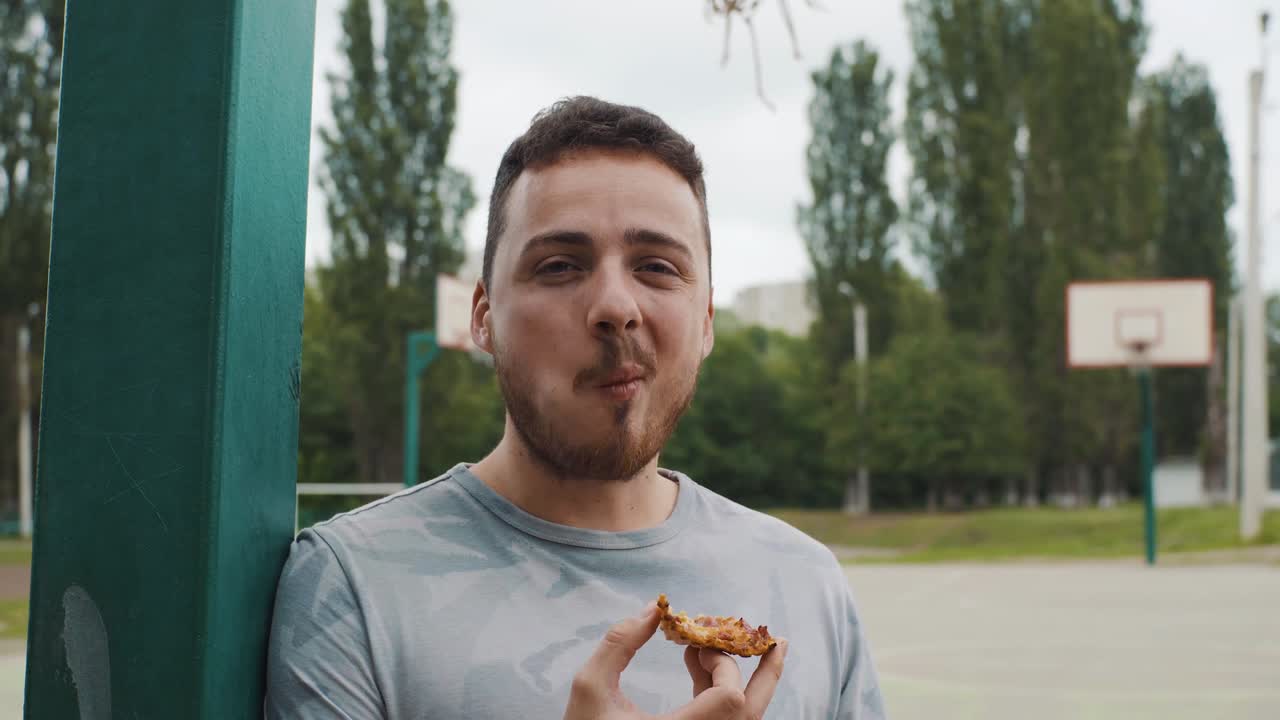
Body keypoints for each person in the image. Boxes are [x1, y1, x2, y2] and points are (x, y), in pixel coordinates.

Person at [265, 96, 886, 719]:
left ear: (705, 322)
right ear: (483, 317)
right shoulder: (353, 586)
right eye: (560, 266)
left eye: (657, 267)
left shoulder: (808, 587)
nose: (615, 305)